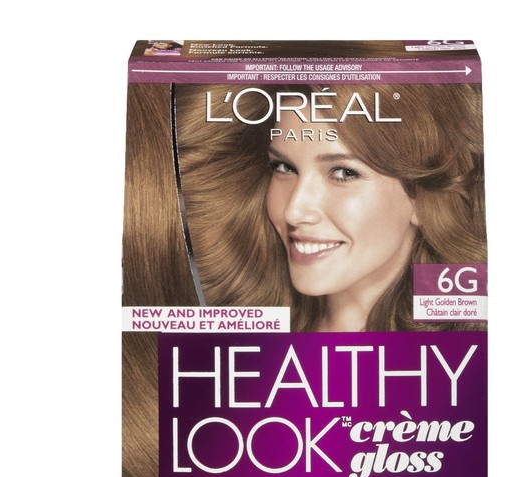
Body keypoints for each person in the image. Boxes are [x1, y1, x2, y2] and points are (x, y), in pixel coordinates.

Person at [176, 82, 486, 332]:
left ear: (423, 197)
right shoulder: (234, 340)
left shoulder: (460, 353)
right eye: (284, 167)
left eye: (343, 173)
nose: (294, 211)